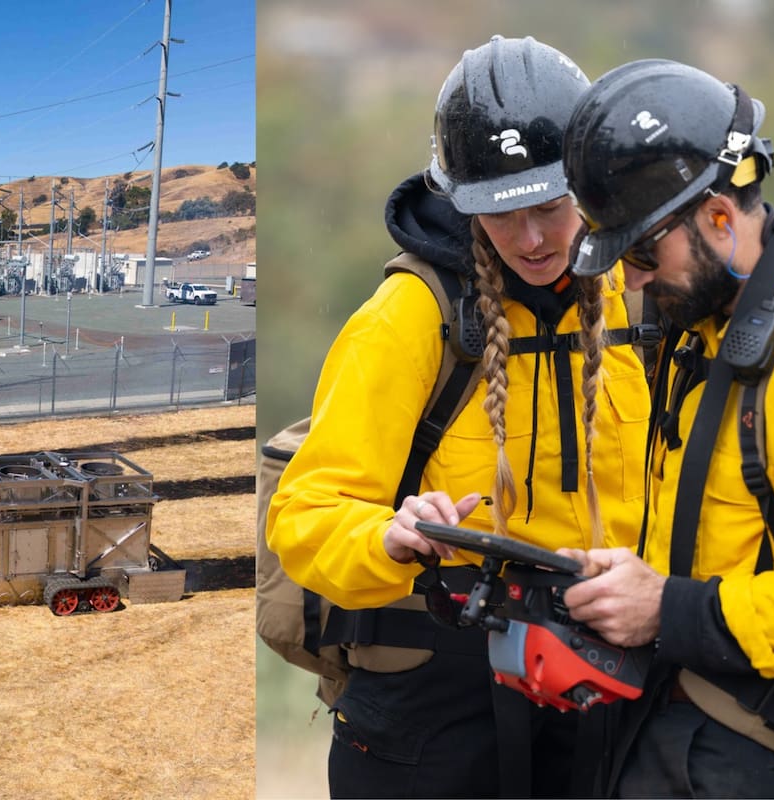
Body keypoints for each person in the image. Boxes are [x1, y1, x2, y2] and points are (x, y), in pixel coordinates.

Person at [266, 35, 653, 799]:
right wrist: (388, 536)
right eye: (503, 215)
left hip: (598, 688)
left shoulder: (636, 303)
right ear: (460, 200)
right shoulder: (408, 317)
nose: (533, 238)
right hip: (428, 711)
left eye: (549, 206)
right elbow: (304, 514)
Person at [559, 58, 774, 798]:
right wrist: (628, 586)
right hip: (691, 717)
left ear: (721, 219)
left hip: (773, 745)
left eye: (639, 254)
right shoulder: (709, 331)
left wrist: (667, 608)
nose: (629, 283)